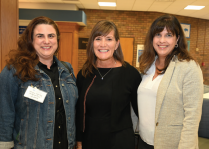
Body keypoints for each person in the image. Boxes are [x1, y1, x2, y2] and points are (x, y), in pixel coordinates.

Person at [0, 16, 78, 149]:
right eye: (40, 36)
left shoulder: (67, 70)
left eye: (51, 36)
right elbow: (5, 114)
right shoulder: (14, 71)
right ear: (31, 39)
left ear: (57, 40)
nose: (46, 41)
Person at [137, 14, 203, 149]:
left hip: (170, 144)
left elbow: (192, 116)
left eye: (168, 35)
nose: (162, 40)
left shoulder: (188, 67)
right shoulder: (148, 65)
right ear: (152, 38)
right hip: (143, 141)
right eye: (158, 35)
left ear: (177, 39)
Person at [75, 20, 142, 149]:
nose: (103, 44)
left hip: (120, 142)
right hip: (90, 141)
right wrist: (79, 141)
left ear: (116, 44)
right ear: (92, 43)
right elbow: (79, 112)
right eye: (98, 39)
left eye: (109, 39)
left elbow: (141, 112)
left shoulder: (130, 74)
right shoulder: (84, 74)